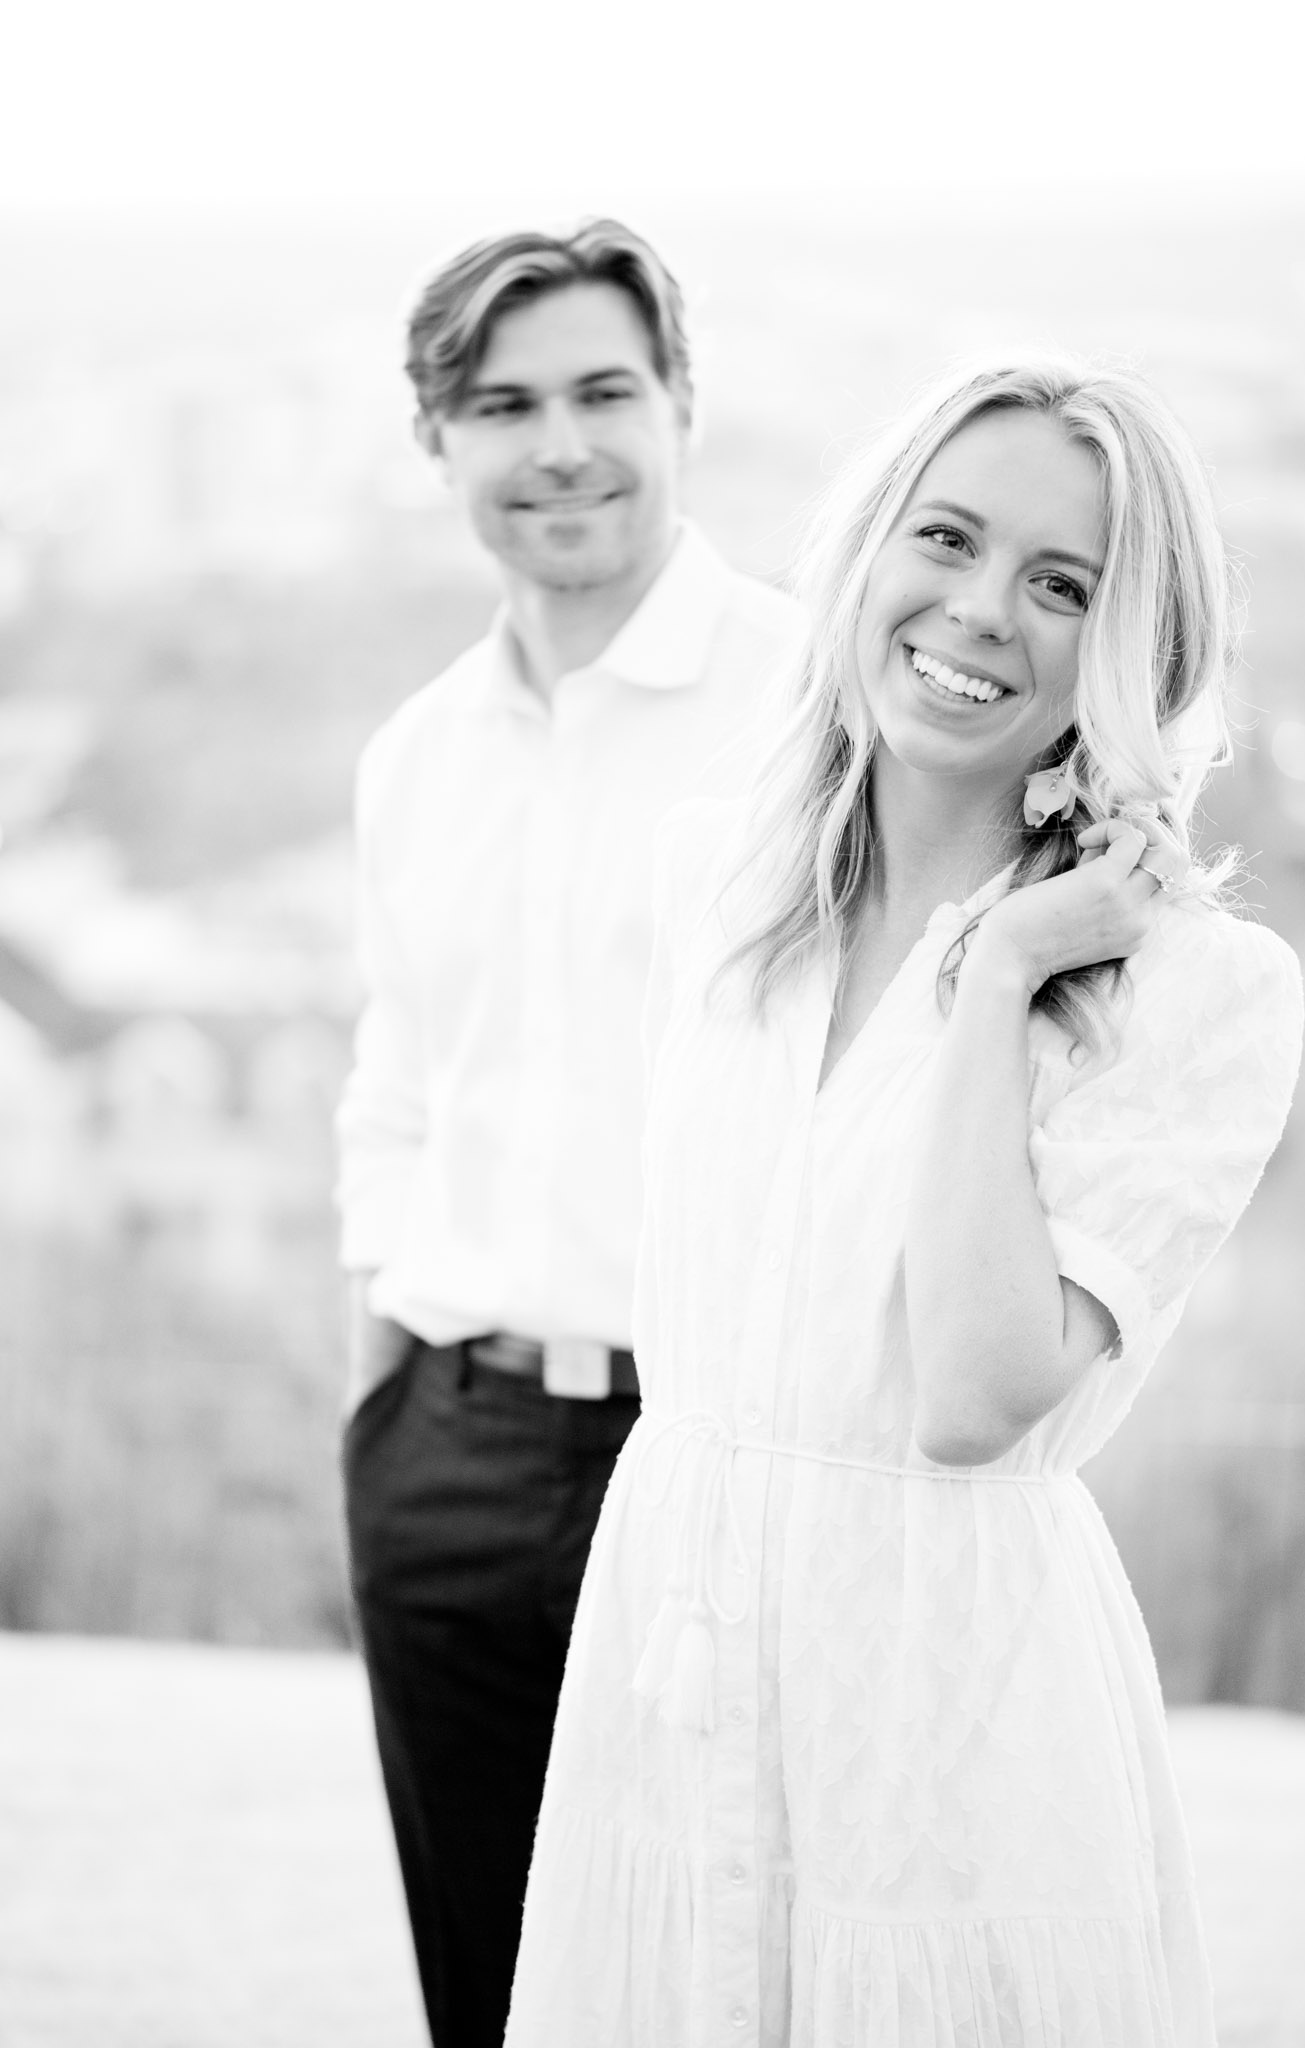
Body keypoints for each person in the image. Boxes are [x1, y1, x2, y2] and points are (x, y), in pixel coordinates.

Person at [504, 354, 1305, 2046]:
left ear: (1135, 652)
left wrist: (1003, 970)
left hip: (949, 1719)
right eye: (944, 538)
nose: (979, 611)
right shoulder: (715, 886)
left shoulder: (1199, 994)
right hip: (678, 1658)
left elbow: (969, 1397)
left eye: (1064, 586)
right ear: (865, 555)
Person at [334, 219, 805, 2048]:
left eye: (606, 390)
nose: (561, 446)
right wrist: (376, 1395)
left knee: (717, 1989)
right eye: (502, 404)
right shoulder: (416, 757)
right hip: (442, 1448)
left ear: (682, 403)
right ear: (436, 442)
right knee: (489, 1995)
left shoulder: (806, 715)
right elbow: (396, 1085)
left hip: (712, 1448)